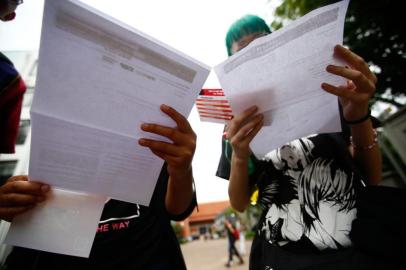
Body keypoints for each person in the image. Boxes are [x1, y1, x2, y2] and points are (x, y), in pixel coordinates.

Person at [216, 14, 383, 269]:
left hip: (354, 244)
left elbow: (371, 177)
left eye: (262, 41)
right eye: (243, 49)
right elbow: (239, 203)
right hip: (282, 254)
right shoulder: (236, 124)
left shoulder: (328, 88)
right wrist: (239, 155)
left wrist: (359, 114)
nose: (255, 52)